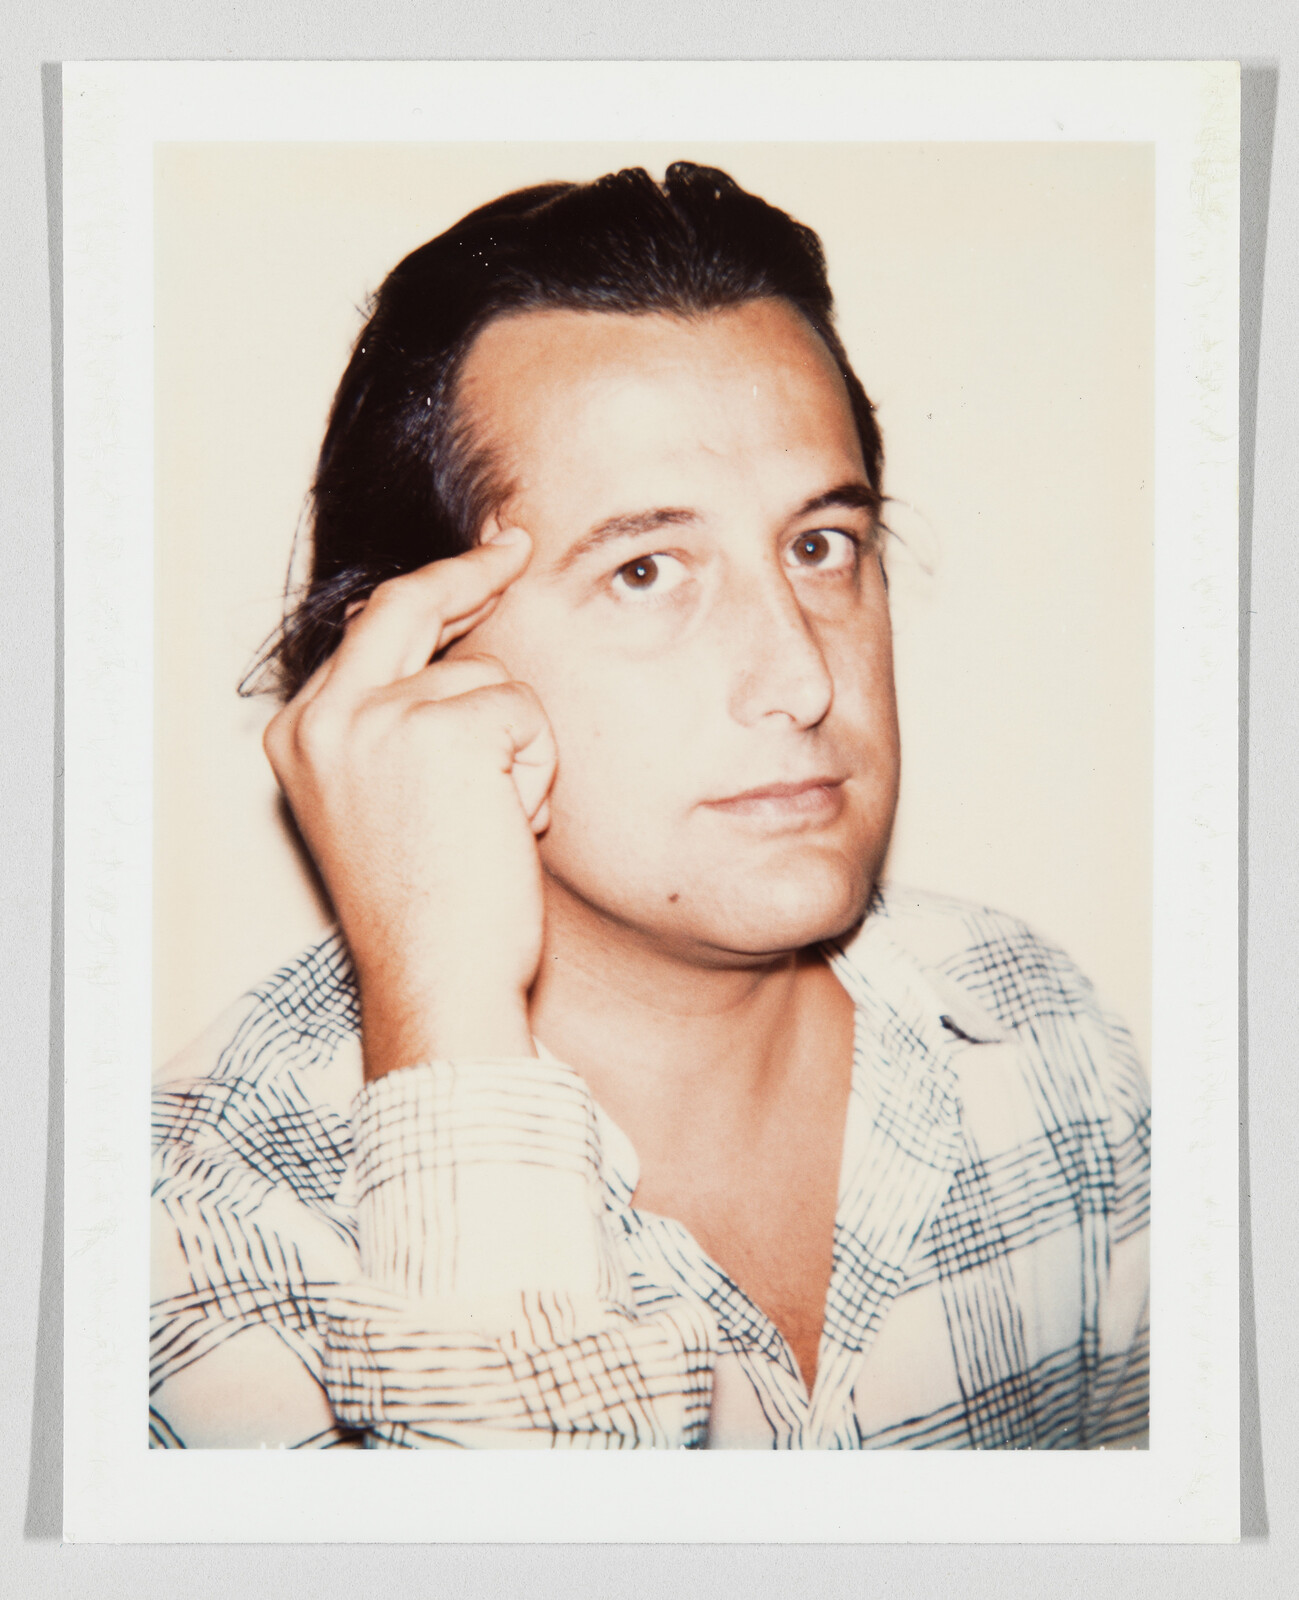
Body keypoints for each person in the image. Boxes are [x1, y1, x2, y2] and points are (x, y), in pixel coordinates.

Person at [150, 162, 1150, 1451]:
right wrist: (447, 1013)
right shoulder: (198, 1227)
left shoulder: (1036, 1027)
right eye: (644, 569)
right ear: (413, 665)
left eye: (817, 545)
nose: (801, 677)